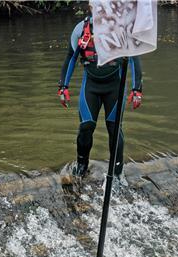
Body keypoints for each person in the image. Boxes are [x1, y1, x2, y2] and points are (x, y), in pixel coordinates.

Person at [58, 13, 143, 178]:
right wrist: (63, 86)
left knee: (114, 129)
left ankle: (117, 173)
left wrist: (136, 89)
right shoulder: (80, 29)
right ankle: (82, 167)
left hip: (114, 87)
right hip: (90, 86)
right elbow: (71, 57)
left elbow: (133, 58)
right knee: (86, 127)